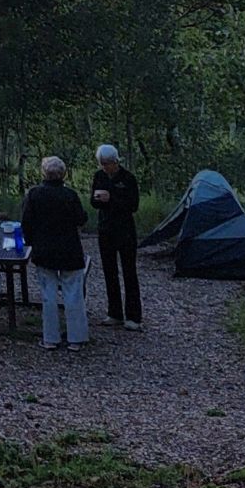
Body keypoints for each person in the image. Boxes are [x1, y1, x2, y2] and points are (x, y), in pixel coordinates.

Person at [22, 155, 89, 351]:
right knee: (73, 294)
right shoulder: (70, 195)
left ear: (44, 173)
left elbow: (26, 222)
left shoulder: (34, 194)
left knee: (48, 296)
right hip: (70, 251)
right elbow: (81, 219)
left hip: (44, 251)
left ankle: (50, 338)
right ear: (63, 174)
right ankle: (76, 339)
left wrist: (30, 242)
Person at [90, 143, 143, 330]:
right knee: (109, 272)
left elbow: (133, 205)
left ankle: (134, 316)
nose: (105, 167)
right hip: (105, 230)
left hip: (125, 230)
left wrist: (111, 198)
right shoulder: (99, 177)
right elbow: (93, 202)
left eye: (108, 163)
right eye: (102, 164)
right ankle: (114, 313)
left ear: (115, 161)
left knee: (129, 272)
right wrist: (98, 200)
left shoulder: (128, 178)